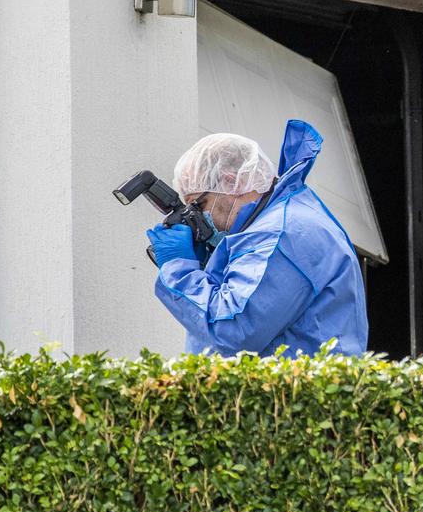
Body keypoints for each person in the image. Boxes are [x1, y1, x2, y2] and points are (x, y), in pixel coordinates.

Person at [145, 119, 368, 357]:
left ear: (233, 182)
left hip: (289, 393)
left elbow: (232, 331)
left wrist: (178, 270)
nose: (200, 217)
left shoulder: (281, 235)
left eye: (200, 204)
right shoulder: (278, 221)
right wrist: (206, 268)